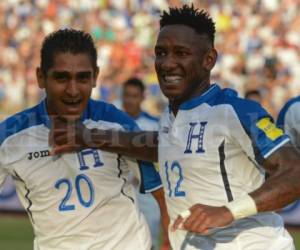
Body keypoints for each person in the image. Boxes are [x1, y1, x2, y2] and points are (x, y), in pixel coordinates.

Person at [50, 5, 300, 250]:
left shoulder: (236, 112)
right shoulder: (173, 115)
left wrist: (228, 212)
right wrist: (90, 137)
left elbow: (294, 172)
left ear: (209, 59)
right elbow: (161, 145)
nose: (167, 63)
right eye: (161, 53)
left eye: (181, 53)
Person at [0, 28, 169, 250]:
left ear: (95, 77)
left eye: (82, 78)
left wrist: (168, 241)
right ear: (41, 77)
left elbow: (159, 191)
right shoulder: (10, 135)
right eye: (62, 77)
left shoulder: (115, 121)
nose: (72, 90)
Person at [122, 77, 162, 250]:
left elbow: (161, 159)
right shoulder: (110, 123)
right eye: (127, 95)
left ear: (142, 97)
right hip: (121, 191)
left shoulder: (153, 125)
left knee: (149, 241)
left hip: (147, 194)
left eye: (134, 96)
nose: (130, 100)